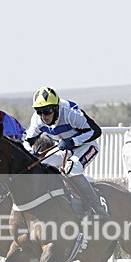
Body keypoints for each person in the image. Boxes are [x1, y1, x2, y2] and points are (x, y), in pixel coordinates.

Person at [24, 86, 109, 218]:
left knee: (71, 169)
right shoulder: (37, 119)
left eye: (47, 111)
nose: (43, 116)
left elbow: (96, 131)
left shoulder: (70, 113)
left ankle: (98, 209)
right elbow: (26, 140)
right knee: (41, 167)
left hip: (87, 146)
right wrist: (30, 151)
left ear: (56, 108)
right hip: (64, 148)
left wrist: (73, 141)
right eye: (39, 111)